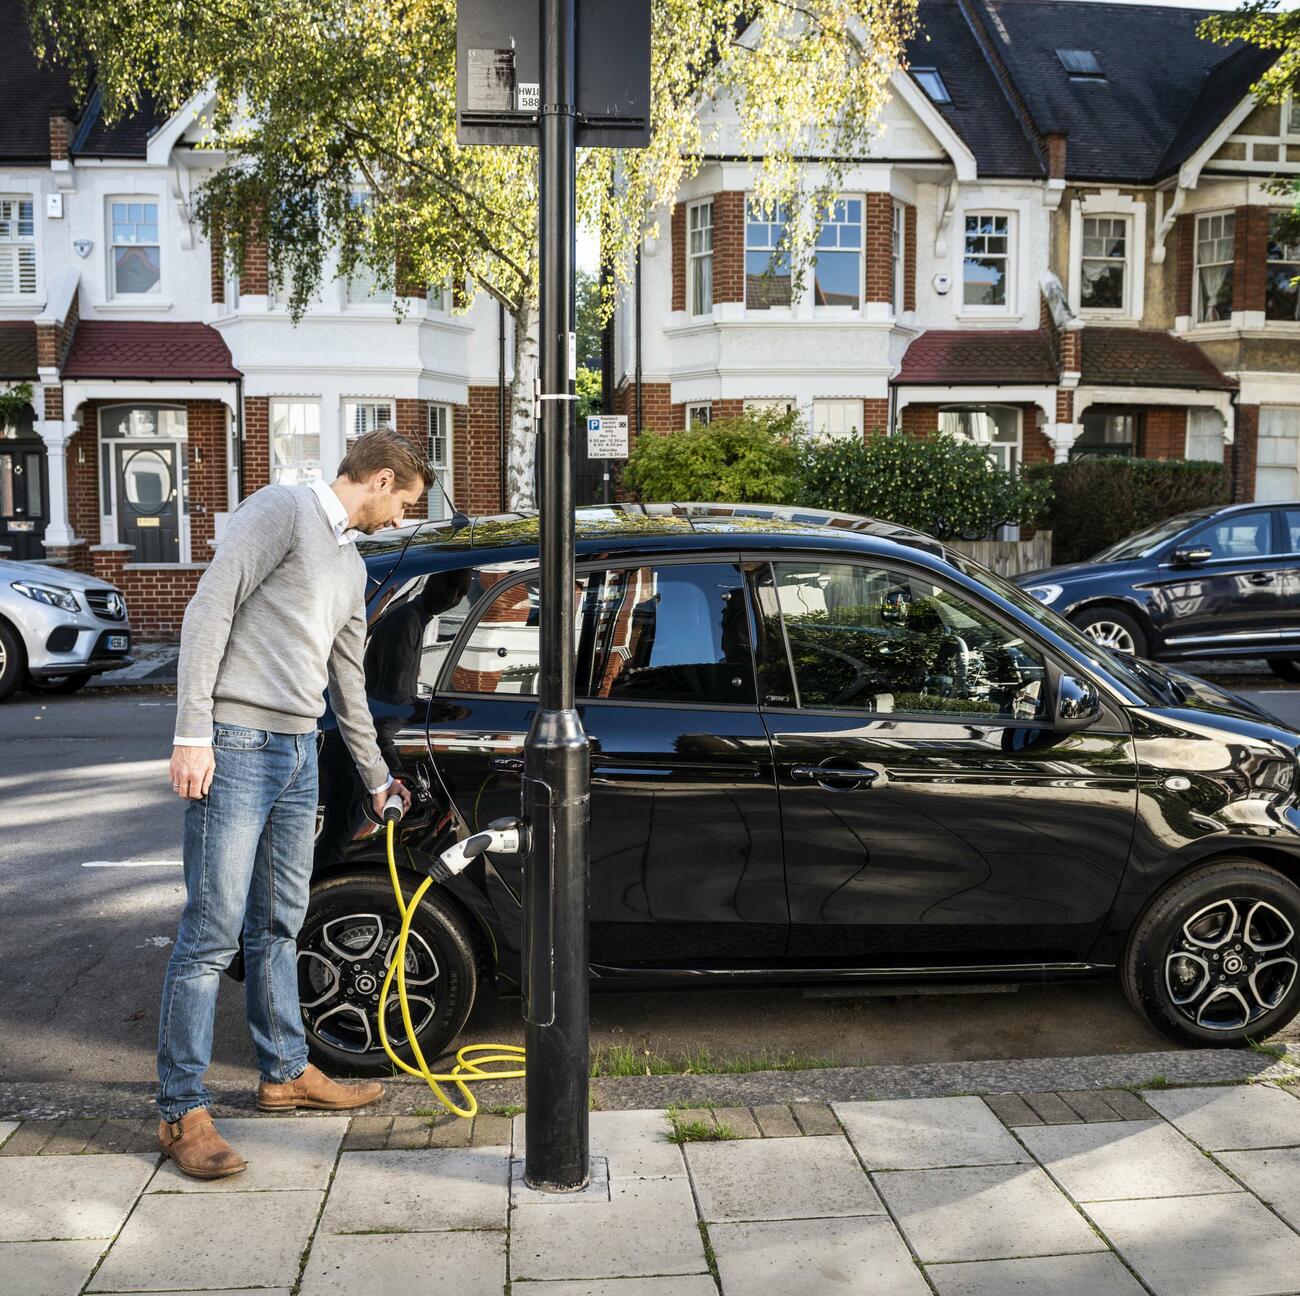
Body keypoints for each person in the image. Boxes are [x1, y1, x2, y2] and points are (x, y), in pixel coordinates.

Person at [157, 429, 429, 1179]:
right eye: (403, 503)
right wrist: (192, 733)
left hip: (298, 751)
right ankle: (181, 1109)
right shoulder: (277, 511)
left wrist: (375, 779)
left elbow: (348, 678)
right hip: (236, 745)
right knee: (211, 934)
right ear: (377, 479)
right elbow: (208, 612)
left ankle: (284, 1073)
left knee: (280, 919)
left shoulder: (349, 560)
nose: (402, 519)